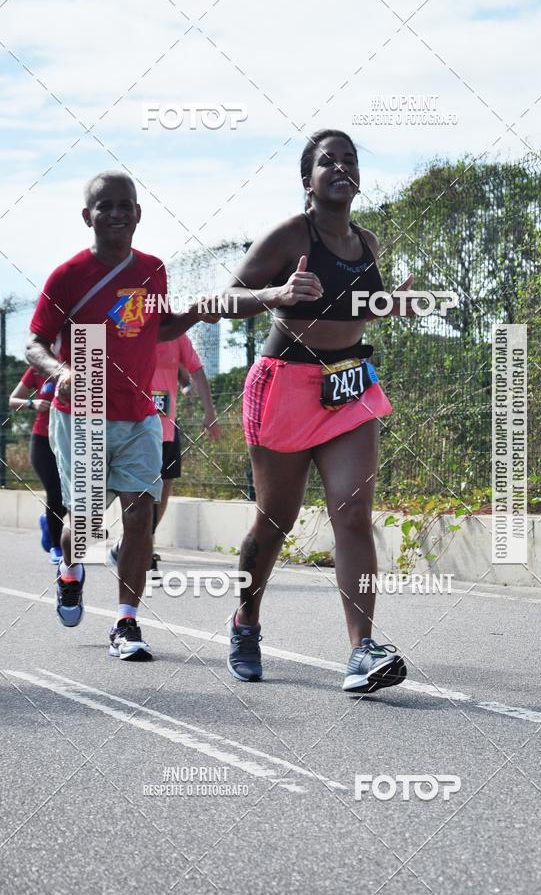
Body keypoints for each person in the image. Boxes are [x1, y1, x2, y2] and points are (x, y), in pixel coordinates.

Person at [219, 129, 418, 693]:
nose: (340, 167)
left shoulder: (369, 244)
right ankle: (246, 620)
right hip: (284, 382)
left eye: (350, 160)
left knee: (352, 513)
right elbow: (225, 299)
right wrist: (275, 296)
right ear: (307, 179)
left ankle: (361, 651)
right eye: (327, 161)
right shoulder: (289, 235)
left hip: (349, 384)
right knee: (276, 520)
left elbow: (355, 309)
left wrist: (388, 307)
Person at [25, 170, 217, 661]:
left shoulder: (153, 269)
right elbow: (35, 341)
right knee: (85, 523)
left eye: (124, 205)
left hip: (140, 414)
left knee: (140, 515)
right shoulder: (68, 276)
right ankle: (71, 573)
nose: (116, 213)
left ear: (138, 213)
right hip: (84, 408)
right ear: (87, 216)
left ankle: (127, 623)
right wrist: (60, 369)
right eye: (104, 205)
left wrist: (196, 312)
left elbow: (153, 327)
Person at [109, 333, 222, 573]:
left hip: (167, 427)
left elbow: (197, 370)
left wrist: (209, 412)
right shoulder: (132, 330)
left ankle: (131, 544)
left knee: (163, 489)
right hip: (136, 427)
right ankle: (138, 545)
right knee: (140, 492)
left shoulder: (177, 334)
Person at [9, 367, 65, 564]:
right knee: (56, 493)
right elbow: (13, 400)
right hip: (42, 441)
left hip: (71, 441)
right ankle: (56, 546)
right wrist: (32, 403)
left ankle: (48, 522)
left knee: (71, 495)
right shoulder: (36, 369)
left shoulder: (80, 365)